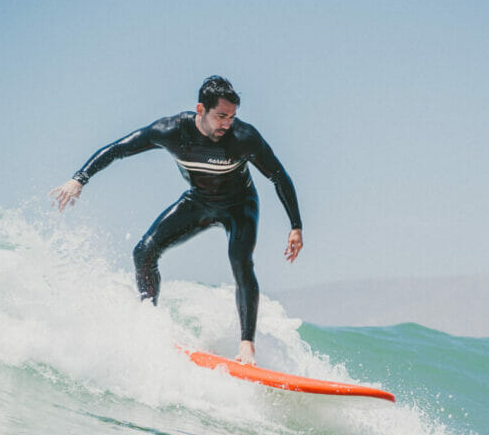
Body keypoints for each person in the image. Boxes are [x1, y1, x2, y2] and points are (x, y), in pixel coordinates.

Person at [50, 76, 303, 365]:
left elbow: (278, 175)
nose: (227, 124)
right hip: (198, 201)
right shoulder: (171, 131)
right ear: (200, 109)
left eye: (232, 117)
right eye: (221, 116)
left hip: (239, 205)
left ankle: (247, 345)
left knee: (240, 261)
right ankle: (149, 323)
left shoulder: (245, 138)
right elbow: (119, 148)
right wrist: (79, 179)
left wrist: (296, 225)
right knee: (144, 251)